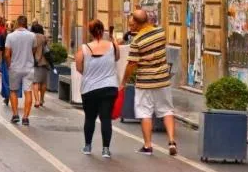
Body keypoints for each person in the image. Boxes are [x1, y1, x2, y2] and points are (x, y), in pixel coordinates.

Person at [121, 9, 177, 156]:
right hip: (163, 80)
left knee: (145, 113)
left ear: (138, 24)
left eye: (132, 24)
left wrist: (124, 81)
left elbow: (131, 64)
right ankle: (171, 141)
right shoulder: (161, 32)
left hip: (145, 82)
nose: (131, 27)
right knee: (167, 110)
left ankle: (147, 146)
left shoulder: (137, 41)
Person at [76, 19, 120, 158]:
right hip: (109, 87)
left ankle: (88, 146)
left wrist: (90, 74)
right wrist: (113, 40)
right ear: (103, 30)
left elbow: (79, 67)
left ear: (90, 32)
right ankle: (106, 149)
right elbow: (117, 58)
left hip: (90, 88)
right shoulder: (113, 46)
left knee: (89, 118)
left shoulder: (83, 48)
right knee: (106, 118)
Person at [5, 15, 36, 125]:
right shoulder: (32, 36)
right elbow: (34, 50)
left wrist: (10, 65)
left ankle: (15, 115)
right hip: (29, 68)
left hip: (15, 67)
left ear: (17, 23)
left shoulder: (10, 36)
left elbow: (7, 54)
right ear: (26, 23)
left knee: (13, 91)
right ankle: (26, 118)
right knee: (28, 92)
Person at [30, 22, 50, 108]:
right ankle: (42, 99)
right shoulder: (45, 38)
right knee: (43, 82)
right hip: (45, 62)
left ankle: (37, 101)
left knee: (35, 82)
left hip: (35, 62)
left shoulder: (32, 37)